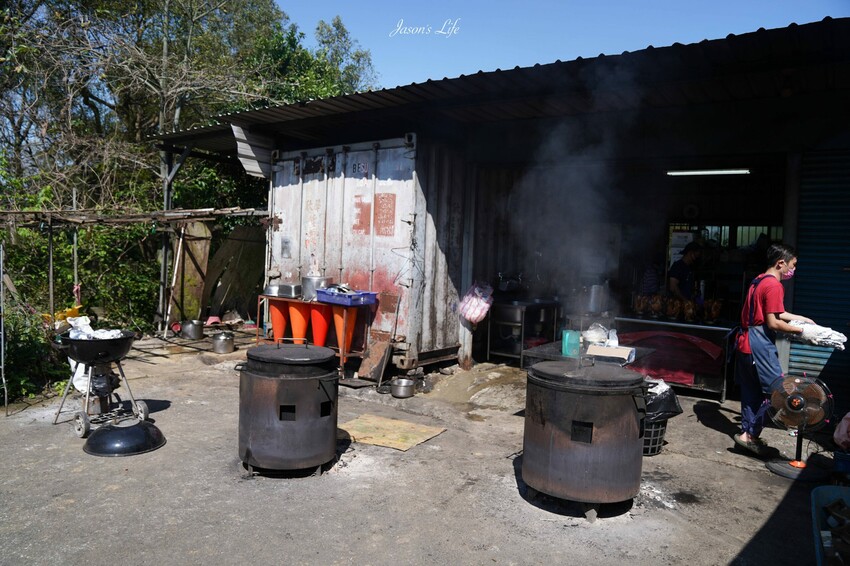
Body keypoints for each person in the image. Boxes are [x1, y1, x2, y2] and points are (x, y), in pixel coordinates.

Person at [732, 243, 817, 455]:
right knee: (778, 393)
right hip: (758, 345)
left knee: (751, 392)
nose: (793, 270)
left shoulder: (759, 280)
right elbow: (773, 322)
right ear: (781, 263)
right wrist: (803, 332)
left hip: (746, 344)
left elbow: (776, 312)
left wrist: (801, 319)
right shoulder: (774, 285)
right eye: (793, 265)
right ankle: (749, 435)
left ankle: (748, 434)